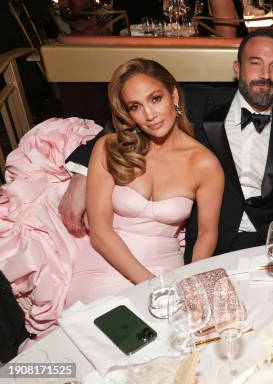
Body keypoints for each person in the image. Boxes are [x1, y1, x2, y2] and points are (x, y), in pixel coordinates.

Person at [61, 29, 273, 260]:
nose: (265, 76)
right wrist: (81, 174)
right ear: (237, 68)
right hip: (210, 243)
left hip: (264, 243)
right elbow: (122, 124)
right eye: (255, 63)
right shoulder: (194, 101)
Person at [65, 58, 224, 305]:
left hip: (166, 268)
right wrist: (151, 284)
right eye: (135, 106)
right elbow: (99, 231)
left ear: (174, 95)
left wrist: (190, 283)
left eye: (155, 99)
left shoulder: (204, 164)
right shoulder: (110, 147)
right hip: (104, 266)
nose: (149, 115)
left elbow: (206, 234)